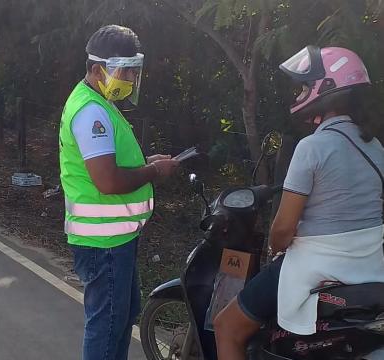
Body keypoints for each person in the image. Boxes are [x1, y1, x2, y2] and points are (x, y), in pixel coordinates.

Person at [213, 46, 384, 359]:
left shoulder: (313, 147)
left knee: (226, 326)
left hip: (317, 268)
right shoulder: (375, 149)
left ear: (328, 87)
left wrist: (276, 247)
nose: (301, 92)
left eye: (306, 85)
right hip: (370, 270)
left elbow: (283, 231)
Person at [59, 25, 180, 360]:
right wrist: (154, 171)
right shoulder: (91, 111)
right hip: (104, 244)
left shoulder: (100, 101)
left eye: (131, 70)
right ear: (99, 69)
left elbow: (113, 162)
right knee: (108, 324)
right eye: (124, 70)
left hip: (116, 238)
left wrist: (148, 161)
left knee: (122, 316)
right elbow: (108, 182)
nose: (129, 77)